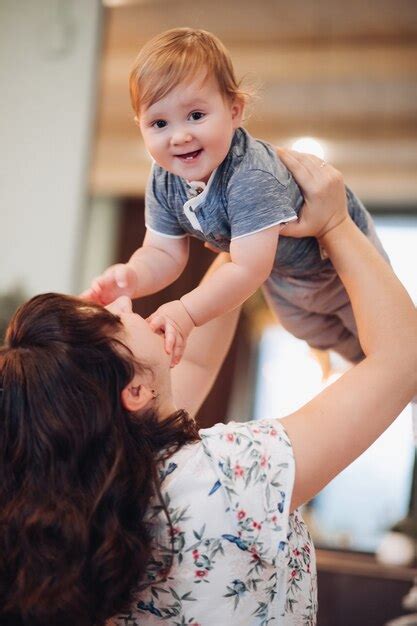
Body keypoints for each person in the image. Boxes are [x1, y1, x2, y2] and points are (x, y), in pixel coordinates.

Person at [1, 151, 416, 626]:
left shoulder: (114, 491)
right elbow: (400, 361)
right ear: (134, 392)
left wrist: (247, 227)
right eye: (114, 320)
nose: (122, 301)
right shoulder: (231, 475)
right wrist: (338, 224)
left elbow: (195, 356)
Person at [83, 27, 389, 368]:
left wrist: (187, 312)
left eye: (196, 116)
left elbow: (247, 268)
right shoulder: (163, 179)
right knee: (316, 336)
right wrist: (133, 276)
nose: (180, 136)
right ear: (140, 125)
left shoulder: (249, 174)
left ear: (234, 111)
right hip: (285, 279)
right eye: (159, 123)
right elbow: (162, 252)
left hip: (339, 267)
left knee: (384, 349)